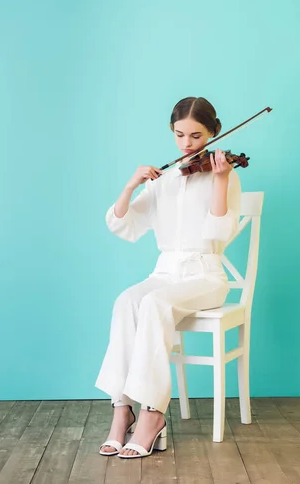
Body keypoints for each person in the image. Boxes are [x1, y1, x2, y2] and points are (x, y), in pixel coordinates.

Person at [95, 97, 241, 458]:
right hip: (165, 272)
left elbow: (220, 234)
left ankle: (152, 414)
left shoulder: (225, 174)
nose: (187, 144)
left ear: (213, 132)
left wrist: (220, 180)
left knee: (156, 304)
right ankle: (121, 409)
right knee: (127, 300)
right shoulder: (166, 179)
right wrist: (131, 185)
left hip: (205, 276)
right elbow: (124, 224)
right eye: (179, 135)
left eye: (196, 136)